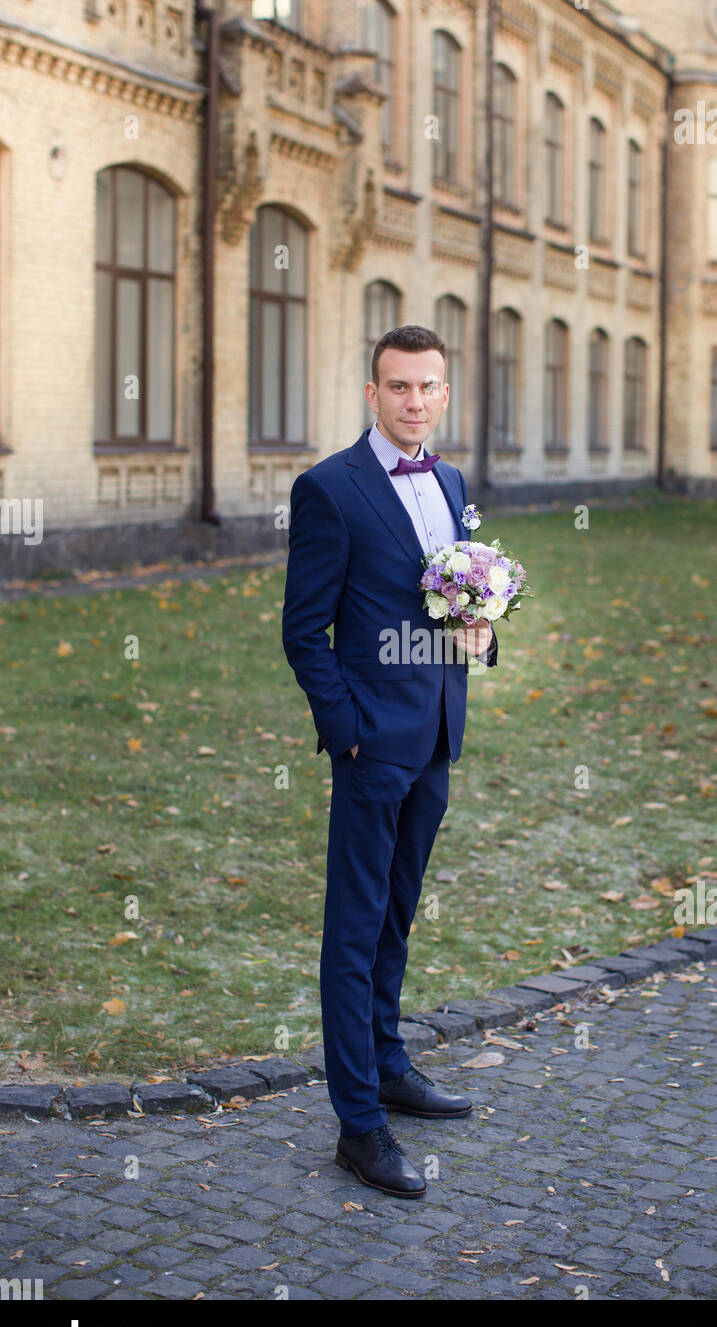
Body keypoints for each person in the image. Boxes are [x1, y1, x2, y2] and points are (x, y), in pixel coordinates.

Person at [282, 324, 498, 1197]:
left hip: (440, 732)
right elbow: (304, 630)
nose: (415, 401)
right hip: (373, 745)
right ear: (372, 395)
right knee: (354, 928)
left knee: (398, 916)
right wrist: (348, 730)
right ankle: (358, 1126)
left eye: (429, 387)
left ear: (445, 393)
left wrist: (481, 639)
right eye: (399, 387)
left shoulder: (449, 480)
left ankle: (389, 1065)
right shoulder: (329, 489)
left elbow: (459, 603)